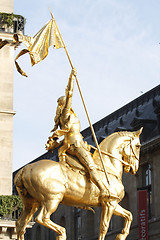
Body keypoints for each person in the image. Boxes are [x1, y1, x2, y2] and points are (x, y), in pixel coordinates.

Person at [46, 68, 117, 200]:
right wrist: (71, 78)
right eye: (66, 102)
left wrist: (55, 145)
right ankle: (104, 190)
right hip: (76, 145)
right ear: (64, 104)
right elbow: (69, 94)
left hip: (72, 144)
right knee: (91, 166)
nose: (70, 104)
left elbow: (66, 137)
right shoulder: (66, 113)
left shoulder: (65, 117)